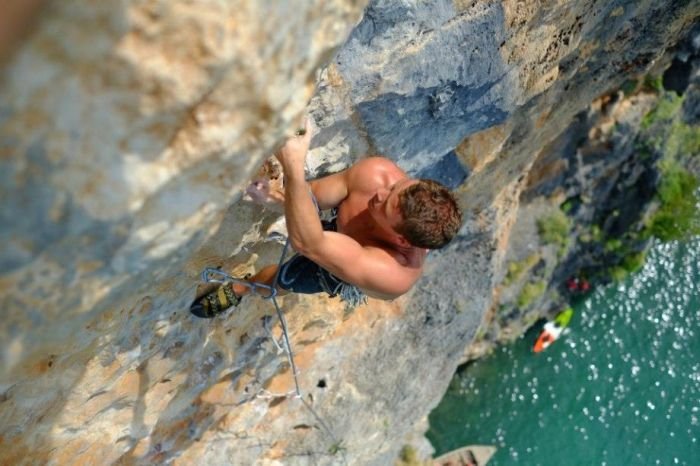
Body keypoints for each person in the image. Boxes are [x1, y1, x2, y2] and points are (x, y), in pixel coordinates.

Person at [190, 119, 462, 318]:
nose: (380, 193)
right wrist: (273, 197)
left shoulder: (391, 274)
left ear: (401, 239)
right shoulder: (379, 174)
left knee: (282, 280)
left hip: (348, 268)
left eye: (386, 203)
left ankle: (242, 288)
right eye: (395, 187)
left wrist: (293, 165)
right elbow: (312, 196)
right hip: (335, 232)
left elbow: (308, 244)